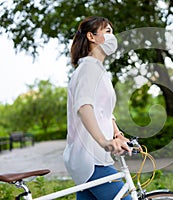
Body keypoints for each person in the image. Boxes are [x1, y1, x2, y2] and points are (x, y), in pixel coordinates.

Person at [63, 16, 132, 200]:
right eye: (107, 31)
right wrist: (104, 141)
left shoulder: (97, 70)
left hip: (92, 158)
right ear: (91, 37)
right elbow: (84, 107)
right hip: (90, 158)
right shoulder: (88, 69)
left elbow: (103, 110)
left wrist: (117, 134)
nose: (112, 36)